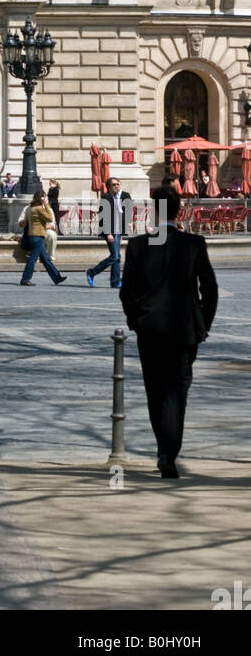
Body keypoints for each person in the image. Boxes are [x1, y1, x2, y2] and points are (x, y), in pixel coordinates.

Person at [120, 186, 218, 478]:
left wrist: (137, 319)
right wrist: (203, 324)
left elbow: (127, 293)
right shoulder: (193, 244)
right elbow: (210, 290)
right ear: (180, 212)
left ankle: (164, 449)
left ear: (154, 211)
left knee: (155, 390)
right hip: (183, 330)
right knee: (177, 391)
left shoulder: (138, 246)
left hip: (150, 330)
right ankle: (168, 453)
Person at [87, 175, 132, 289]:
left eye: (118, 184)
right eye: (114, 185)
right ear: (108, 187)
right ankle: (92, 272)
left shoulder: (121, 197)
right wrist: (108, 233)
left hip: (118, 231)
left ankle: (115, 282)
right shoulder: (105, 198)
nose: (117, 186)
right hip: (110, 231)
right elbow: (103, 217)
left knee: (117, 257)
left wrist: (121, 233)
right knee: (115, 256)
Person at [18, 189, 67, 287]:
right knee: (32, 259)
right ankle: (25, 279)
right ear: (41, 198)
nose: (46, 199)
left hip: (36, 236)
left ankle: (57, 277)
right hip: (37, 236)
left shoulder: (32, 207)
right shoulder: (39, 208)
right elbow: (49, 218)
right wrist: (47, 206)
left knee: (45, 259)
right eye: (44, 197)